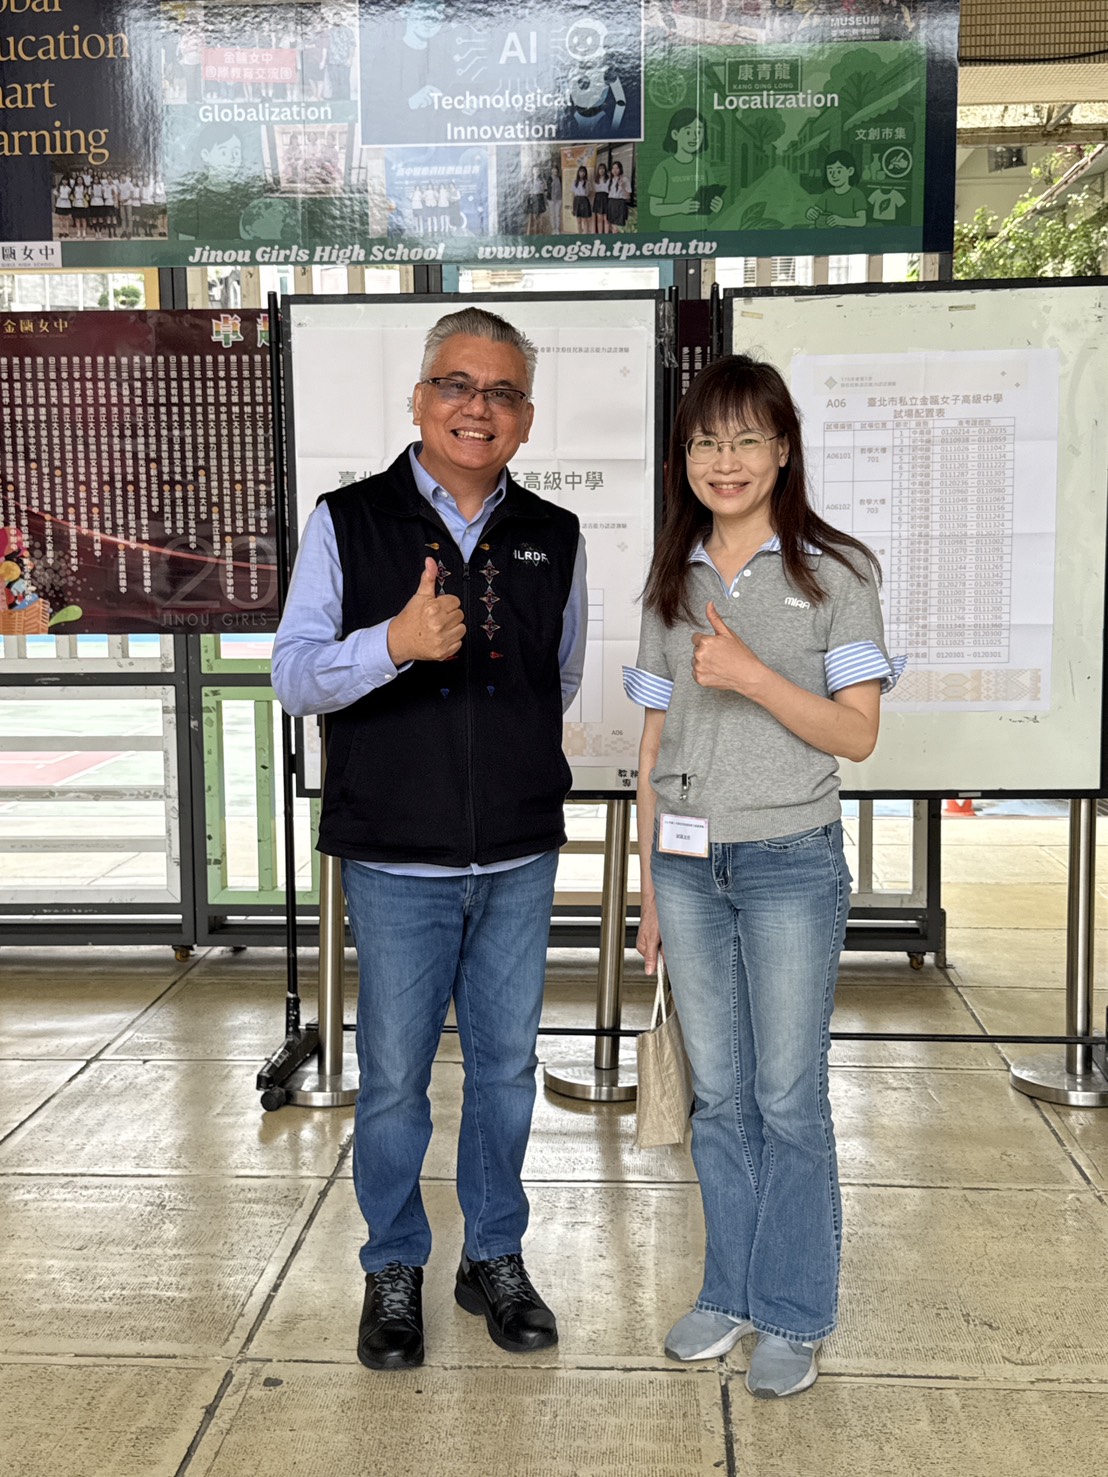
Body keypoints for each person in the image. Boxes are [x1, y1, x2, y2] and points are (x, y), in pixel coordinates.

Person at [272, 307, 588, 1374]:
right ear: (418, 400)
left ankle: (491, 1255)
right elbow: (294, 674)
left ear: (526, 418)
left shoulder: (554, 533)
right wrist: (394, 644)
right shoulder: (348, 520)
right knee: (395, 1079)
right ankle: (394, 1264)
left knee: (505, 1071)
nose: (476, 407)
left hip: (518, 853)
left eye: (501, 393)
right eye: (456, 384)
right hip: (394, 856)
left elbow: (557, 679)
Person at [624, 355, 902, 1400]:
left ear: (783, 449)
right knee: (720, 1096)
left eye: (747, 438)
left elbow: (857, 734)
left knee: (787, 1098)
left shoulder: (835, 572)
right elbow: (651, 746)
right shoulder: (673, 574)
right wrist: (651, 889)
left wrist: (750, 675)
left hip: (790, 860)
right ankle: (729, 1292)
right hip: (689, 866)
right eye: (706, 441)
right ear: (684, 458)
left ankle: (793, 1310)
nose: (725, 460)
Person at [647, 109, 723, 223]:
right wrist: (680, 208)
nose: (694, 137)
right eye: (688, 132)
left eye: (699, 132)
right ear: (675, 134)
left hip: (701, 229)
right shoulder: (664, 168)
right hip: (671, 231)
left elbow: (712, 197)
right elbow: (654, 209)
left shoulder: (704, 167)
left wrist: (718, 204)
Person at [805, 149, 867, 228]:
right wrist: (810, 213)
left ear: (850, 171)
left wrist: (841, 221)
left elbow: (862, 221)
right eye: (830, 171)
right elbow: (816, 211)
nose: (833, 175)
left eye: (839, 171)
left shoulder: (857, 194)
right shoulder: (827, 195)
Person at [606, 158, 630, 231]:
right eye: (613, 168)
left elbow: (628, 197)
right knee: (612, 225)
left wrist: (622, 187)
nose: (615, 170)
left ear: (620, 169)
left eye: (617, 168)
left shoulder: (625, 179)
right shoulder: (609, 180)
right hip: (611, 202)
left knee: (618, 227)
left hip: (620, 203)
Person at [572, 164, 593, 233]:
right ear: (578, 172)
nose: (582, 173)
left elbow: (589, 193)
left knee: (585, 220)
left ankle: (585, 235)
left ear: (585, 173)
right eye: (580, 171)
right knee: (578, 220)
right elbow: (573, 194)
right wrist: (573, 205)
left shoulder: (587, 182)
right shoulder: (575, 182)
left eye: (583, 172)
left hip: (584, 200)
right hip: (577, 200)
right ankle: (579, 234)